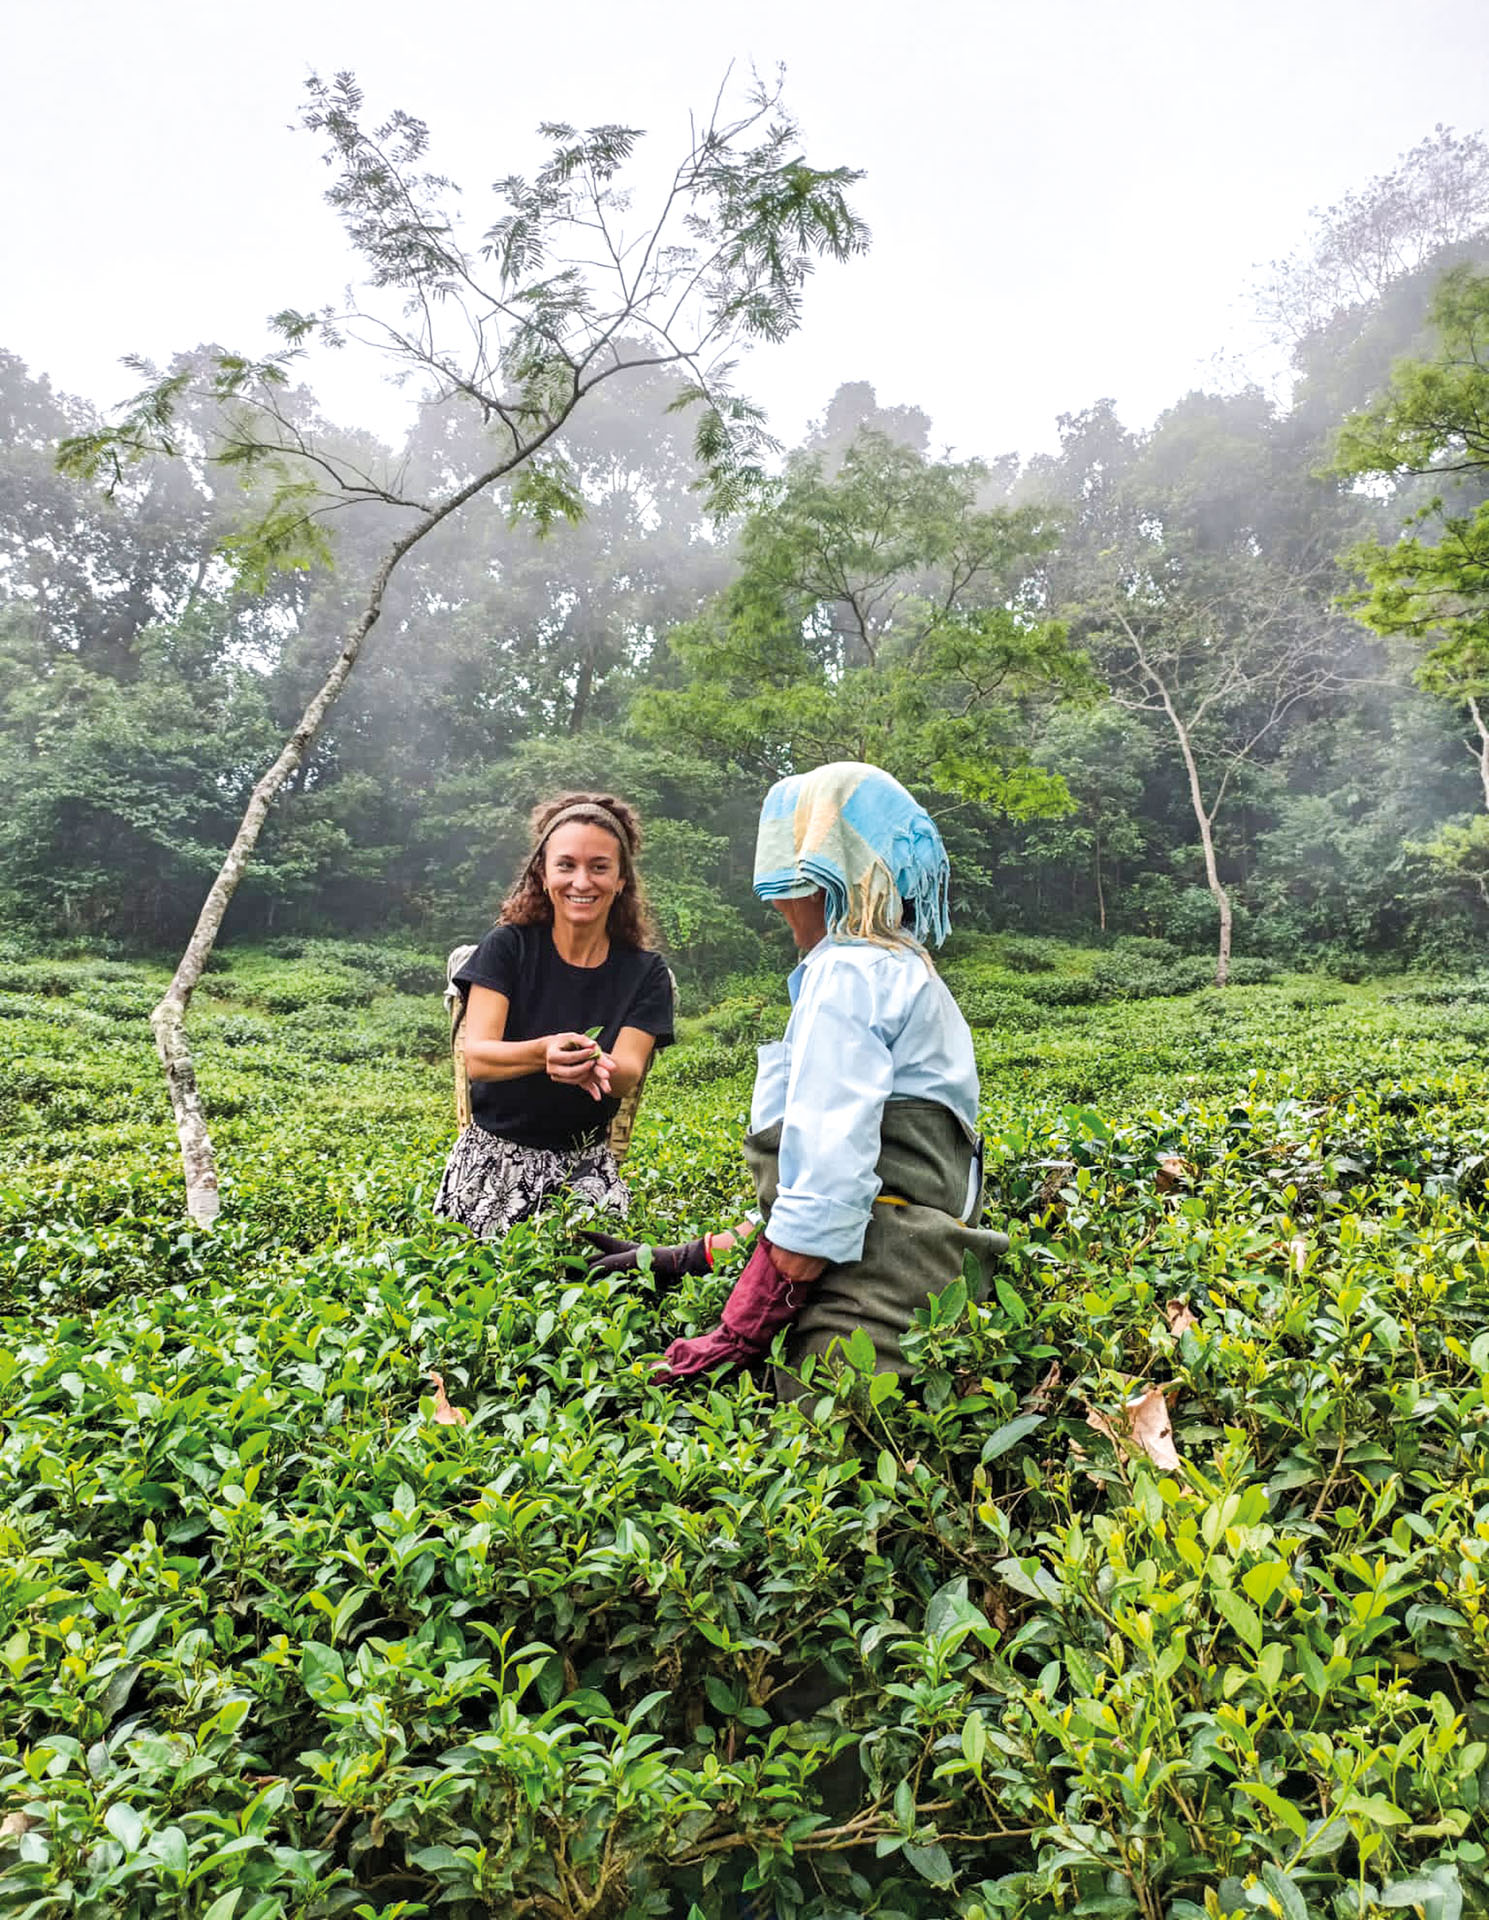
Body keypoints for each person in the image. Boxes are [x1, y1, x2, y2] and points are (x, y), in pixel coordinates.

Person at [586, 761, 1007, 1395]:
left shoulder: (849, 974)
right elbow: (858, 1185)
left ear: (820, 877)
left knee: (826, 1437)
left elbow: (831, 1191)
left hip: (871, 1302)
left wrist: (738, 1331)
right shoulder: (901, 970)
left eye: (787, 878)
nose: (777, 901)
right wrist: (685, 1259)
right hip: (916, 1279)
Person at [435, 792, 674, 1239]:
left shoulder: (646, 973)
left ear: (621, 879)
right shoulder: (509, 947)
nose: (582, 882)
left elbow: (625, 1074)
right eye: (566, 865)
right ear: (543, 875)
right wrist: (546, 1051)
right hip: (492, 1166)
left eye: (599, 867)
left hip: (586, 1169)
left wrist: (585, 1061)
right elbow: (479, 1057)